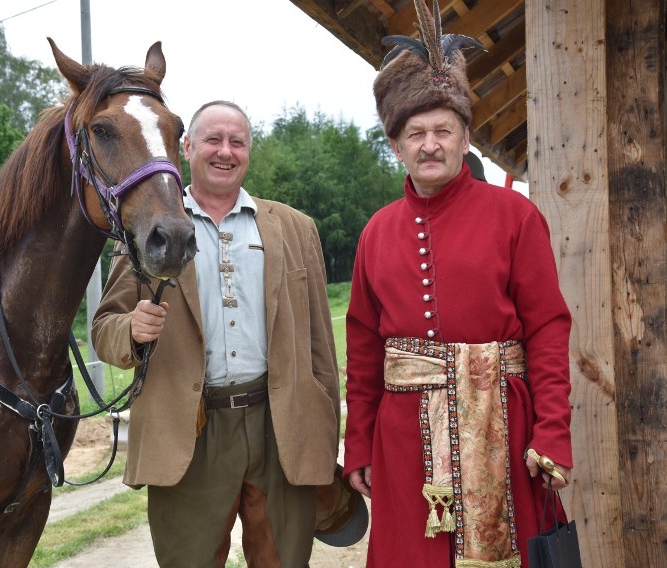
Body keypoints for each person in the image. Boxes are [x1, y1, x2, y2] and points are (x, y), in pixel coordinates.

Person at [343, 2, 573, 567]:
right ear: (396, 146)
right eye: (415, 133)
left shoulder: (514, 216)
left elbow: (547, 327)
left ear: (464, 137)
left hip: (507, 429)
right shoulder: (376, 232)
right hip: (402, 444)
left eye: (443, 130)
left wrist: (552, 432)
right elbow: (364, 349)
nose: (429, 144)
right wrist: (359, 445)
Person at [92, 100, 346, 567]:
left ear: (249, 151)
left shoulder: (294, 227)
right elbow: (104, 328)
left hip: (279, 424)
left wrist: (326, 433)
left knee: (284, 562)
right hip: (192, 430)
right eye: (213, 140)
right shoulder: (150, 224)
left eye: (237, 142)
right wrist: (131, 329)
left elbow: (320, 347)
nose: (224, 151)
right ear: (186, 148)